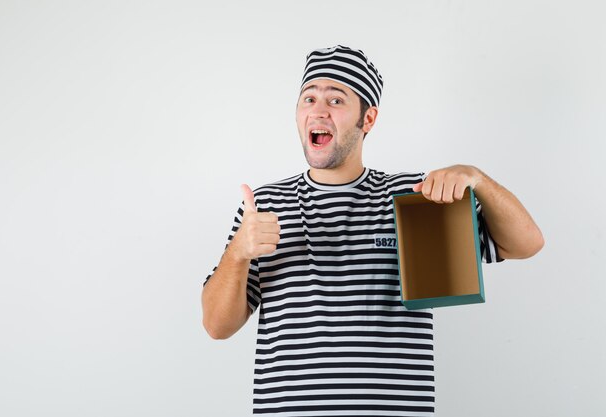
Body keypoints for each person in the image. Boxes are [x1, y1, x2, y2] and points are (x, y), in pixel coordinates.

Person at [201, 45, 544, 416]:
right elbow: (217, 326)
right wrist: (238, 253)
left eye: (336, 100)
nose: (318, 110)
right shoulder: (264, 205)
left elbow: (527, 243)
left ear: (368, 119)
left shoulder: (417, 198)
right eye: (309, 98)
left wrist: (476, 179)